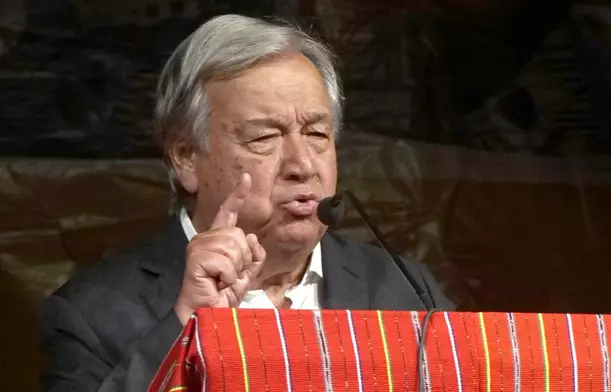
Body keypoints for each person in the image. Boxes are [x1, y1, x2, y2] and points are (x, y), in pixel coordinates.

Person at [39, 14, 454, 391]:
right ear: (186, 158)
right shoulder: (92, 316)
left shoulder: (405, 291)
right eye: (264, 137)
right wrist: (184, 328)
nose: (302, 165)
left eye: (316, 134)